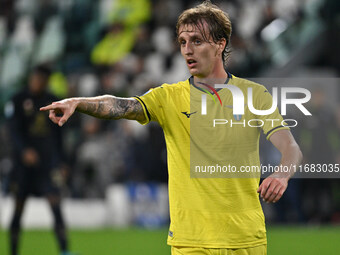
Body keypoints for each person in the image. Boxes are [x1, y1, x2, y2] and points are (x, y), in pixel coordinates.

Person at [41, 1, 302, 254]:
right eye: (182, 42)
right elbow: (122, 105)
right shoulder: (168, 97)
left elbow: (290, 147)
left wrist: (281, 175)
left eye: (197, 41)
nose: (187, 49)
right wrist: (79, 102)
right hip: (191, 241)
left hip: (246, 238)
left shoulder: (254, 95)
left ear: (220, 44)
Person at [6, 65, 73, 255]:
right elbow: (12, 130)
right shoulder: (18, 100)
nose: (37, 82)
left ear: (46, 81)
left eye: (41, 80)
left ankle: (65, 250)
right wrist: (24, 151)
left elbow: (60, 134)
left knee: (55, 204)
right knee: (18, 207)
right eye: (35, 78)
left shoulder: (53, 101)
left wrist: (63, 161)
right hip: (23, 166)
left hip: (47, 164)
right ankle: (13, 252)